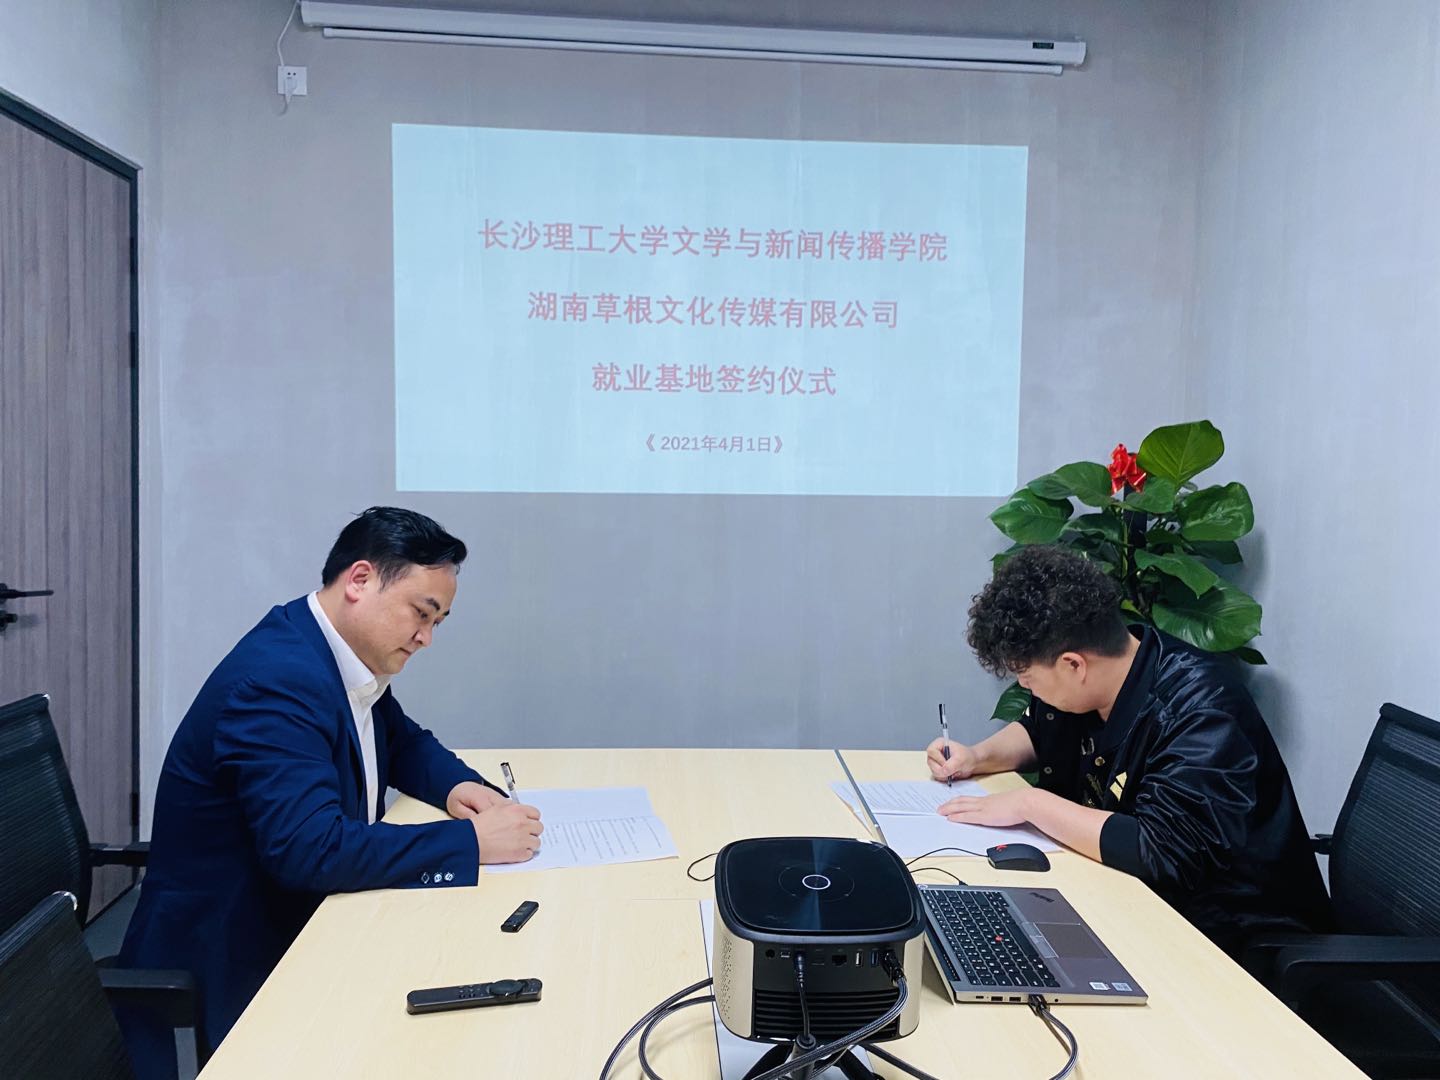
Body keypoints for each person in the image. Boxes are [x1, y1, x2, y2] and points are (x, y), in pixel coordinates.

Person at [119, 507, 542, 1076]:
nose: (426, 638)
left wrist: (459, 786)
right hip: (236, 960)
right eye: (422, 614)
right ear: (360, 580)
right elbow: (310, 850)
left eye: (438, 621)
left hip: (309, 917)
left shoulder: (328, 650)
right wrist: (470, 842)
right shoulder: (279, 681)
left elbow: (401, 740)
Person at [926, 544, 1331, 956]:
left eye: (1028, 679)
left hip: (1236, 938)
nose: (1027, 689)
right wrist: (976, 757)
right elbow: (1039, 730)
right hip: (1131, 901)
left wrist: (1031, 804)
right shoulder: (1106, 672)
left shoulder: (1202, 712)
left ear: (1073, 665)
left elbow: (1160, 852)